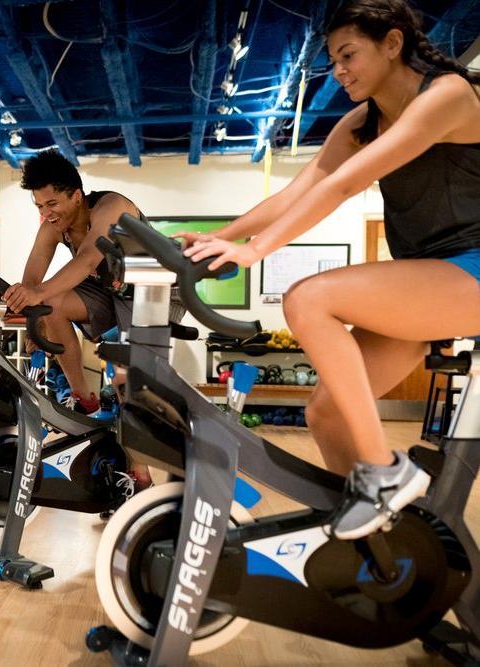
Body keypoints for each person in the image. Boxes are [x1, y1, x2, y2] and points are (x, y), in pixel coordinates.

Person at [178, 0, 480, 540]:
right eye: (333, 60)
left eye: (349, 55)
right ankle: (390, 550)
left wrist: (256, 252)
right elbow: (302, 189)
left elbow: (341, 187)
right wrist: (222, 237)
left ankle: (387, 476)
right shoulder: (362, 122)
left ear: (392, 43)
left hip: (471, 269)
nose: (339, 70)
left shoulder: (448, 96)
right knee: (328, 413)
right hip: (428, 273)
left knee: (309, 297)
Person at [3, 149, 150, 415]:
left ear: (77, 196)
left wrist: (36, 294)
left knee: (130, 390)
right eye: (39, 206)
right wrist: (35, 321)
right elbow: (33, 280)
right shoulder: (53, 225)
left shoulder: (111, 207)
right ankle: (84, 399)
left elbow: (88, 260)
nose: (46, 213)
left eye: (52, 204)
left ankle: (138, 446)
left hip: (152, 294)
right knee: (50, 303)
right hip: (109, 291)